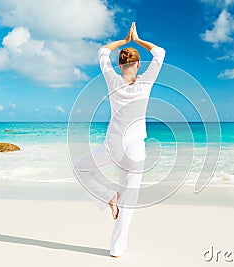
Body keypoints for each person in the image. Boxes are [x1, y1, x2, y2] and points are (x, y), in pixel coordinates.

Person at [74, 22, 165, 257]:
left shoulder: (112, 81)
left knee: (80, 169)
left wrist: (124, 41)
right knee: (129, 200)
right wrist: (138, 39)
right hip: (135, 151)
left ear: (120, 64)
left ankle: (108, 196)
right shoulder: (144, 84)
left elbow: (102, 51)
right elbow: (160, 52)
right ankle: (116, 247)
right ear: (137, 64)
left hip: (113, 147)